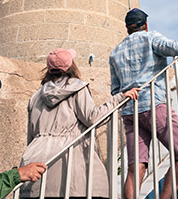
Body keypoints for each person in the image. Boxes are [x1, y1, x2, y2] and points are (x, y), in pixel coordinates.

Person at [109, 8, 178, 199]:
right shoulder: (150, 37)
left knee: (135, 168)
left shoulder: (115, 53)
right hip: (154, 105)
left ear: (127, 28)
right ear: (145, 25)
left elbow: (115, 91)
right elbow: (175, 48)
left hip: (130, 111)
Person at [19, 48, 140, 199]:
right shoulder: (77, 87)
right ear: (71, 66)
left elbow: (31, 136)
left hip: (37, 164)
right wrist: (120, 99)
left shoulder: (35, 96)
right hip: (70, 163)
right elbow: (93, 118)